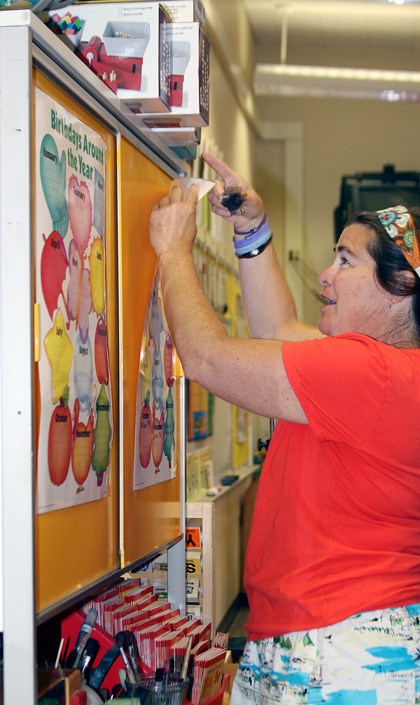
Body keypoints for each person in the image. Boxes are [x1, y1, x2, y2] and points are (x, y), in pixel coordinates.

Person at [149, 153, 420, 704]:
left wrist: (174, 252)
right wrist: (252, 231)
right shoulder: (384, 370)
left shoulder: (371, 375)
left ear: (401, 287)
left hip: (340, 647)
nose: (325, 272)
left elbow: (206, 359)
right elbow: (278, 329)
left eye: (346, 262)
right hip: (331, 638)